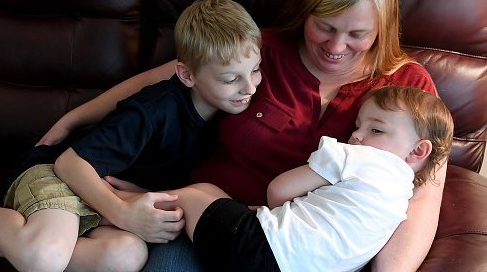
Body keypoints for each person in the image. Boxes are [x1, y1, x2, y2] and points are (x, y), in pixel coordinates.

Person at [35, 0, 445, 271]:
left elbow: (423, 197)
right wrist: (76, 116)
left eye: (357, 34)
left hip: (308, 252)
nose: (336, 47)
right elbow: (168, 77)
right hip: (202, 221)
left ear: (383, 28)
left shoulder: (408, 89)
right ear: (307, 10)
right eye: (326, 26)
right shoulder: (259, 51)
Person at [0, 0, 263, 272]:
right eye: (230, 79)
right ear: (186, 75)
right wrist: (123, 212)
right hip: (59, 176)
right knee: (42, 259)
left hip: (101, 197)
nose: (249, 87)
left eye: (257, 71)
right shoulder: (153, 112)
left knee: (126, 257)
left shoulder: (227, 108)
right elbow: (71, 163)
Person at [115, 85, 454, 271]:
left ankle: (125, 200)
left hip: (262, 249)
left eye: (375, 129)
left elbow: (279, 190)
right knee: (210, 192)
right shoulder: (402, 199)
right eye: (358, 126)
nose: (357, 136)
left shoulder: (358, 157)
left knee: (193, 195)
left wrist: (268, 213)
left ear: (418, 150)